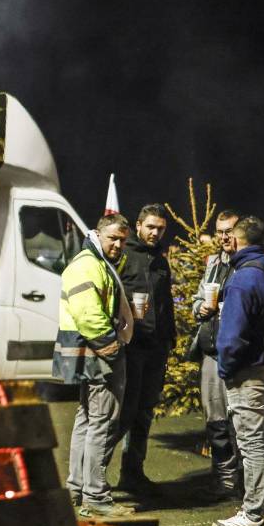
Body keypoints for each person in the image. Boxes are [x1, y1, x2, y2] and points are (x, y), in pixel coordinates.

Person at [54, 213, 136, 518]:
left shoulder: (94, 261)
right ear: (98, 234)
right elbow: (87, 312)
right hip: (98, 353)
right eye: (113, 238)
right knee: (102, 421)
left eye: (123, 240)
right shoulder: (88, 264)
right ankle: (96, 496)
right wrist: (111, 347)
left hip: (89, 354)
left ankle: (77, 488)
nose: (118, 244)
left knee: (88, 420)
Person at [212, 216, 264, 526]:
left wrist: (226, 368)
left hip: (250, 373)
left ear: (240, 240)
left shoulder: (245, 278)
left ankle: (253, 514)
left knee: (252, 444)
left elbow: (232, 335)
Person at [113, 204, 175, 495]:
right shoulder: (124, 254)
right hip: (132, 346)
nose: (155, 232)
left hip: (156, 346)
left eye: (160, 228)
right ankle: (94, 477)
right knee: (124, 411)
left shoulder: (161, 259)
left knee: (145, 411)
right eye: (150, 227)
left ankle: (133, 472)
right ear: (138, 226)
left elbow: (166, 303)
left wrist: (170, 338)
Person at [191, 211, 240, 497]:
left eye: (229, 231)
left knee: (239, 419)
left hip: (238, 354)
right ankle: (223, 480)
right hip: (211, 351)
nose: (223, 237)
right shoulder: (213, 263)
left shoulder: (247, 264)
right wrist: (201, 309)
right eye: (219, 231)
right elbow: (198, 299)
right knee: (215, 419)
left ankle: (243, 481)